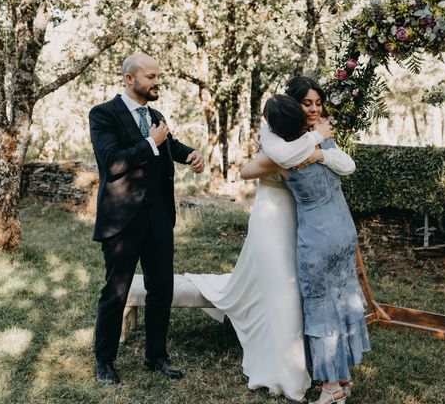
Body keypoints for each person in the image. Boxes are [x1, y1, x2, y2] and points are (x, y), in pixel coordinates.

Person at [186, 77, 353, 401]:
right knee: (284, 291)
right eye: (307, 104)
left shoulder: (311, 136)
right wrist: (313, 141)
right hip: (273, 214)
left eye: (318, 104)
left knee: (299, 289)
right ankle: (288, 370)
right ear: (293, 106)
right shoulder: (277, 136)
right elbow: (251, 169)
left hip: (305, 218)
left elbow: (339, 163)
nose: (314, 110)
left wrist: (318, 145)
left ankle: (316, 367)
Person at [242, 94, 370, 404]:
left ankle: (331, 388)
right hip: (345, 228)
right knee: (343, 301)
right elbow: (346, 164)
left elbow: (246, 172)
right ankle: (344, 376)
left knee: (321, 309)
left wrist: (266, 143)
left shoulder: (280, 157)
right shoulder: (323, 143)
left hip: (318, 236)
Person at [89, 53, 205, 384]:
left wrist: (190, 155)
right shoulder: (103, 114)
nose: (157, 82)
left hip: (158, 218)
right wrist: (149, 142)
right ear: (129, 78)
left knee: (161, 288)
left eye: (158, 76)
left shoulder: (155, 115)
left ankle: (156, 356)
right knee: (116, 291)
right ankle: (105, 361)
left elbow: (170, 146)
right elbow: (111, 163)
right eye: (151, 76)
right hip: (122, 221)